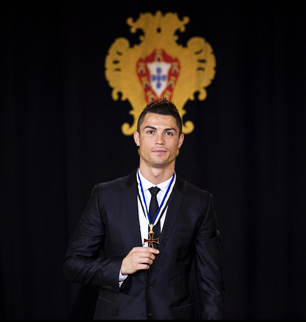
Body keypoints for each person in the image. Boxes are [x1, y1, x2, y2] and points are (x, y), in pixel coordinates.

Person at [63, 99, 225, 319]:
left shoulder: (199, 202)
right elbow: (73, 264)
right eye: (151, 131)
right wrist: (121, 267)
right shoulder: (105, 196)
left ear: (180, 140)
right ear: (137, 137)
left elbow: (211, 287)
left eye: (169, 133)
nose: (159, 140)